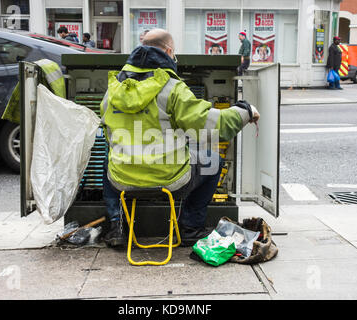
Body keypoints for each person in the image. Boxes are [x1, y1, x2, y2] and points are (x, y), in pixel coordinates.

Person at [100, 28, 260, 247]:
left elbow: (110, 139)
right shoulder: (172, 88)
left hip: (123, 181)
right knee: (213, 161)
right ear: (168, 51)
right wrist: (246, 111)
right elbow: (216, 127)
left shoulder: (113, 91)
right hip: (171, 180)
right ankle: (190, 228)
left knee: (107, 162)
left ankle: (118, 226)